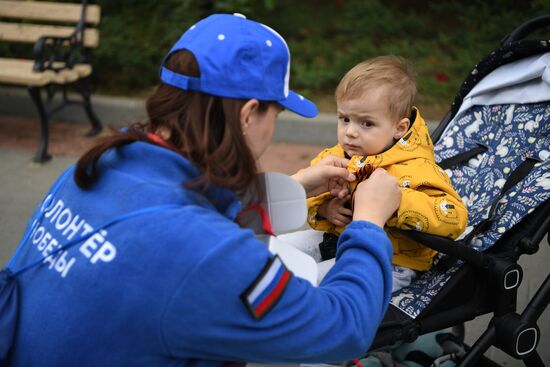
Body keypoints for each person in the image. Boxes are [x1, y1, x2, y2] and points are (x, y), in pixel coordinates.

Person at [5, 14, 402, 367]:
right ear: (248, 114)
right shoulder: (203, 252)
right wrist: (368, 223)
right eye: (275, 113)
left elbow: (175, 216)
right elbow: (341, 328)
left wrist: (296, 186)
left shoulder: (101, 165)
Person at [281, 56, 468, 290]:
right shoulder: (335, 157)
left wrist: (397, 203)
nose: (350, 132)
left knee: (306, 284)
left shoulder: (417, 168)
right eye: (345, 119)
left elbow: (454, 219)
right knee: (271, 252)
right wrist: (323, 209)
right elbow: (307, 195)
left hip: (391, 261)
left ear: (399, 128)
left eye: (366, 124)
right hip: (336, 241)